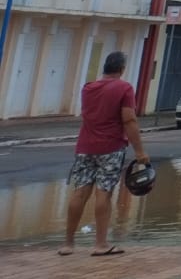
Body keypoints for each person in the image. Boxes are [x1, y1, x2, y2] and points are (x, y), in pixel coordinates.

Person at [60, 51, 148, 258]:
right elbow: (129, 120)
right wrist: (140, 151)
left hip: (85, 148)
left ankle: (68, 244)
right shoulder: (124, 88)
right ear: (122, 69)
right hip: (111, 148)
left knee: (80, 192)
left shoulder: (88, 88)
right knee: (104, 193)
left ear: (105, 67)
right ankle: (100, 244)